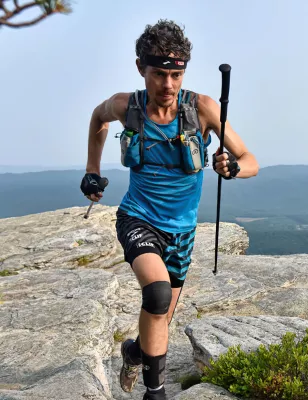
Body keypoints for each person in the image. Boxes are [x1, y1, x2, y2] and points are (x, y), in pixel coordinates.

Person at [79, 20, 259, 400]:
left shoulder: (203, 109)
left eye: (176, 74)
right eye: (159, 74)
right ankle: (154, 393)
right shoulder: (127, 106)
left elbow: (249, 158)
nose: (168, 84)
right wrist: (92, 171)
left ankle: (133, 352)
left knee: (159, 320)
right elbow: (98, 118)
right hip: (138, 218)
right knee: (157, 294)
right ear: (141, 68)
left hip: (182, 232)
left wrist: (235, 168)